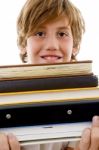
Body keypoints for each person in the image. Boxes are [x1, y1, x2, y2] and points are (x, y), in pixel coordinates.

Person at [0, 0, 99, 150]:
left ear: (75, 45)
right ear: (22, 44)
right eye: (39, 33)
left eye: (62, 34)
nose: (52, 45)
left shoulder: (86, 97)